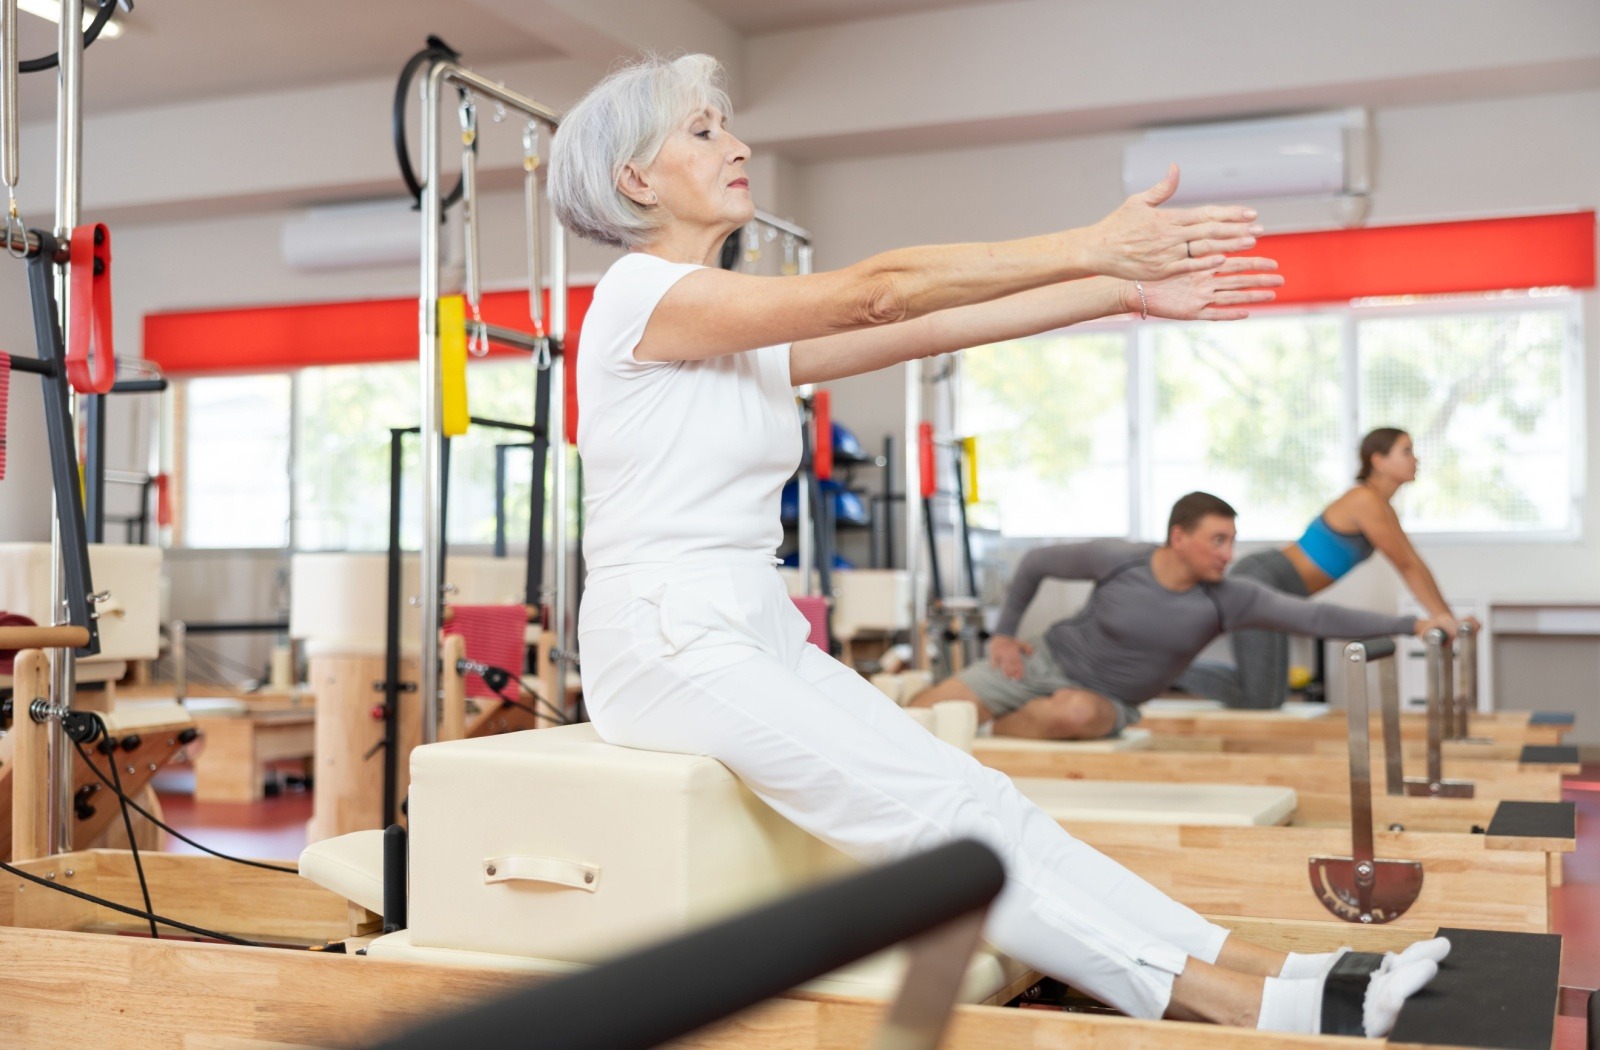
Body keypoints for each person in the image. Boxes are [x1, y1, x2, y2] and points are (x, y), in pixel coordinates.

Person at [550, 53, 1444, 1037]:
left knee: (982, 797)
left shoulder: (732, 324)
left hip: (745, 622)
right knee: (935, 837)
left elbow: (931, 324)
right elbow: (883, 292)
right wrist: (1093, 243)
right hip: (665, 639)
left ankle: (1284, 969)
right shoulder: (640, 296)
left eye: (728, 125)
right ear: (635, 179)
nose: (739, 144)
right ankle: (1235, 1006)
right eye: (704, 130)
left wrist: (1123, 293)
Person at [909, 491, 1456, 738]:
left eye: (1232, 541)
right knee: (923, 711)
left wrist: (1412, 625)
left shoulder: (1231, 597)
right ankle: (973, 718)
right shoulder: (1121, 559)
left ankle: (992, 728)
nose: (1228, 553)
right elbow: (1035, 563)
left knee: (1071, 714)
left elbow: (1317, 620)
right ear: (1179, 537)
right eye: (1218, 540)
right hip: (1039, 661)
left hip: (1108, 700)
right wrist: (1004, 634)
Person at [1174, 428, 1477, 709]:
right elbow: (1407, 565)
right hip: (1261, 579)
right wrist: (1443, 617)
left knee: (1270, 697)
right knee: (1260, 697)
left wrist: (1444, 617)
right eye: (1406, 451)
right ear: (1379, 461)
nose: (1416, 459)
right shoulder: (1363, 500)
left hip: (1277, 587)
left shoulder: (1381, 507)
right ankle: (1164, 665)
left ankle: (1164, 664)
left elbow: (1413, 562)